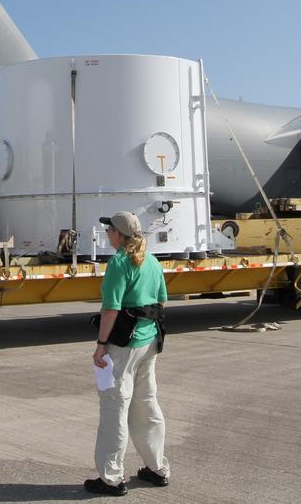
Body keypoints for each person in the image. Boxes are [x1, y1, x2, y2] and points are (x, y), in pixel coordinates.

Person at [86, 211, 170, 496]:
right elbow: (162, 301)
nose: (107, 233)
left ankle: (111, 478)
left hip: (123, 346)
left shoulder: (119, 263)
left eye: (109, 230)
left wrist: (101, 344)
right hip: (149, 343)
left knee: (115, 408)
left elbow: (111, 308)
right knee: (146, 404)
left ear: (119, 235)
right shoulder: (152, 261)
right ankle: (157, 468)